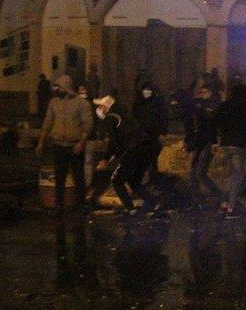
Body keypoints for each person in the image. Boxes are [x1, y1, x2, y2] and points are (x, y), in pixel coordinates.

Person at [36, 75, 93, 212]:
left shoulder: (81, 103)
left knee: (78, 176)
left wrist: (81, 142)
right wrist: (41, 142)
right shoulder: (54, 103)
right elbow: (47, 123)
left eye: (59, 86)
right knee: (59, 176)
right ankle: (59, 204)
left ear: (66, 87)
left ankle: (80, 203)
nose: (56, 89)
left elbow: (88, 124)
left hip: (74, 146)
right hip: (58, 145)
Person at [93, 96, 157, 215]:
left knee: (117, 180)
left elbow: (114, 141)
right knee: (134, 181)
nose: (99, 109)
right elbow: (123, 137)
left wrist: (105, 159)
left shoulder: (111, 117)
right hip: (146, 148)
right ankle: (154, 203)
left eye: (101, 106)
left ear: (106, 107)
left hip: (134, 149)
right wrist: (115, 154)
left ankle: (130, 208)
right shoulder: (123, 114)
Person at [216, 84, 246, 217]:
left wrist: (218, 138)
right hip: (238, 143)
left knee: (233, 174)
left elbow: (216, 121)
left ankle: (224, 202)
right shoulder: (245, 106)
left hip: (225, 143)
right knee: (239, 174)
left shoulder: (224, 105)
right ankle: (230, 206)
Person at [185, 86, 222, 203]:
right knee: (193, 170)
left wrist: (214, 142)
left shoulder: (212, 106)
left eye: (204, 92)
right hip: (199, 142)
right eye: (200, 92)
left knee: (200, 171)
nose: (202, 94)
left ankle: (217, 193)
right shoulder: (199, 106)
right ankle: (195, 196)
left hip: (208, 142)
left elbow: (212, 126)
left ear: (210, 92)